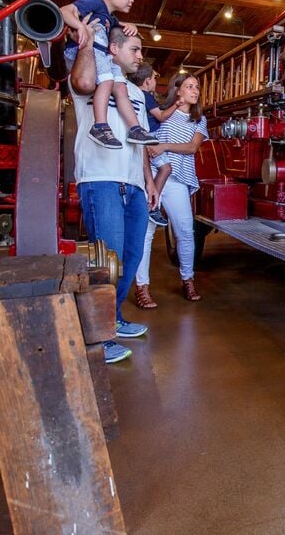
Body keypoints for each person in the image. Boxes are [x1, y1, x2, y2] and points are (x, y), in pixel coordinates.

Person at [70, 26, 157, 363]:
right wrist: (91, 43)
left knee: (130, 258)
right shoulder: (90, 79)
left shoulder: (133, 93)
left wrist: (148, 181)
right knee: (106, 262)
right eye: (134, 49)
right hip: (101, 178)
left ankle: (113, 317)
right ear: (116, 48)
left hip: (134, 182)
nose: (139, 56)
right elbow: (80, 81)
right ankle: (96, 335)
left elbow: (143, 140)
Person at [61, 0, 157, 150]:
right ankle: (100, 126)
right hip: (87, 51)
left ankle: (135, 128)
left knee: (120, 87)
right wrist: (80, 27)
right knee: (106, 82)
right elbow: (64, 11)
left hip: (102, 54)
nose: (132, 0)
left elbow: (117, 25)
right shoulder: (95, 3)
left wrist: (129, 25)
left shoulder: (110, 17)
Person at [138, 73, 208, 304]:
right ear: (177, 91)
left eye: (196, 87)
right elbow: (147, 143)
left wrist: (164, 146)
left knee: (185, 232)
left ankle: (188, 280)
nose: (195, 90)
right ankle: (142, 288)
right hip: (154, 178)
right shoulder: (162, 115)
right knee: (146, 234)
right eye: (189, 86)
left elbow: (192, 147)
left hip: (177, 180)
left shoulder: (199, 120)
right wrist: (155, 153)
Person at [129, 62, 181, 228]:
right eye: (153, 79)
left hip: (145, 138)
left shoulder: (134, 94)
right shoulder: (146, 96)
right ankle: (153, 205)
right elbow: (161, 116)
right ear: (146, 81)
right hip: (150, 138)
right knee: (166, 168)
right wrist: (177, 105)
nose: (155, 82)